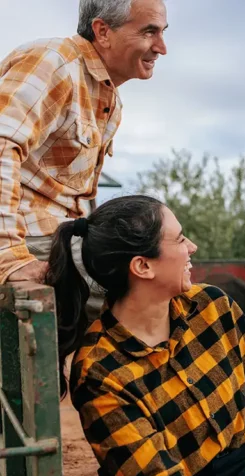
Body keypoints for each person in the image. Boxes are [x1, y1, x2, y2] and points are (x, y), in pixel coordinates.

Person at [44, 195, 245, 476]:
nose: (193, 247)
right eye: (181, 239)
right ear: (143, 266)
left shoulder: (214, 305)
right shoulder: (99, 371)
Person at [0, 0, 167, 319]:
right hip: (26, 235)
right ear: (102, 31)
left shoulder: (108, 99)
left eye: (162, 32)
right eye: (149, 32)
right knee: (145, 292)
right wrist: (9, 258)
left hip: (62, 235)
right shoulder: (54, 63)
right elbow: (2, 144)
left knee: (166, 270)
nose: (161, 47)